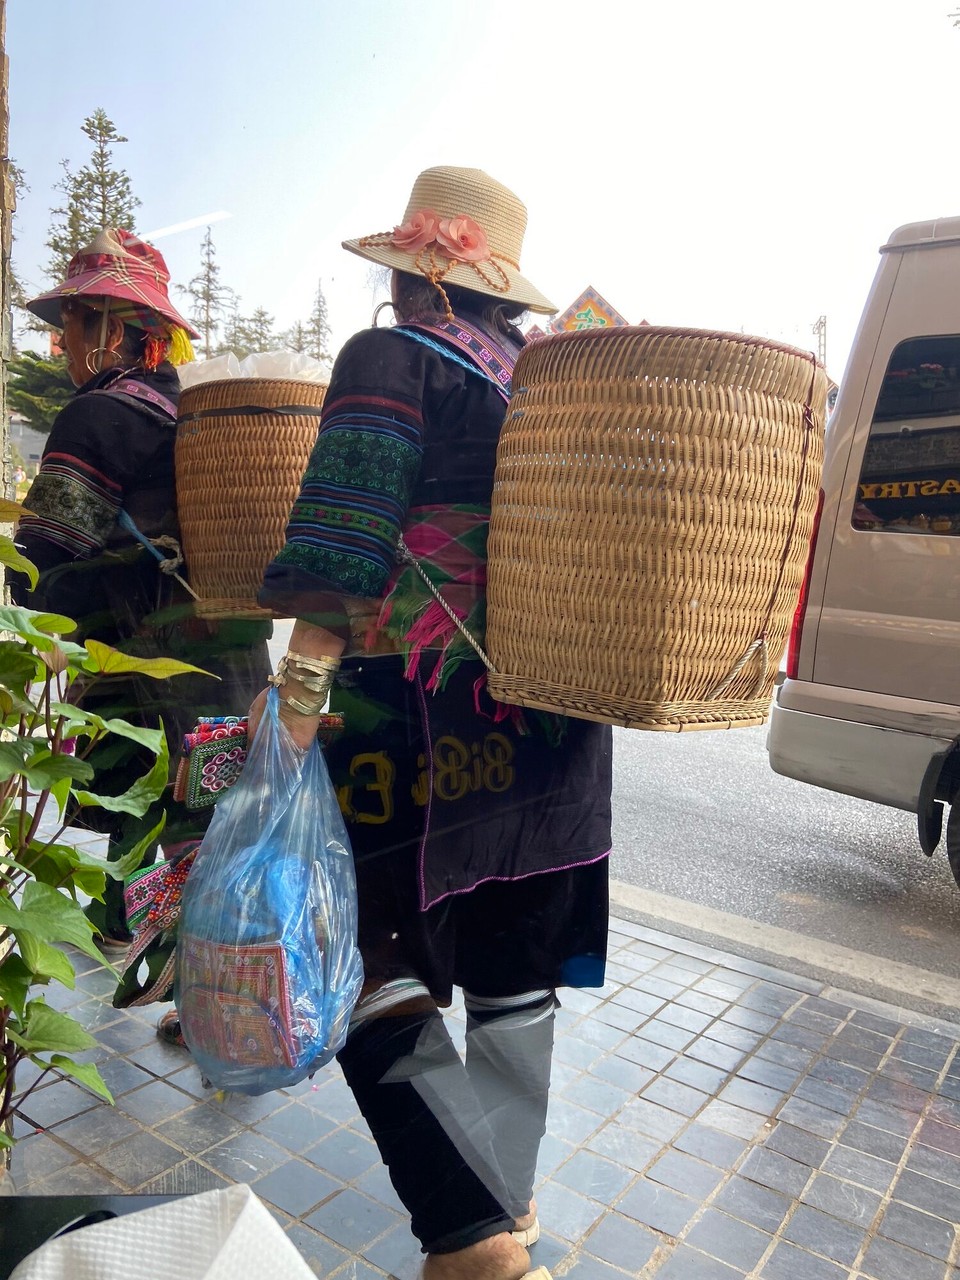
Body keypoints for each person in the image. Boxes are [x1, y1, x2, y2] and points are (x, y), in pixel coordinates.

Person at [251, 167, 613, 1280]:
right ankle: (507, 1198)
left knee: (364, 957)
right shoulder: (546, 386)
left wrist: (293, 717)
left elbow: (343, 547)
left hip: (416, 719)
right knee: (514, 974)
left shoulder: (389, 358)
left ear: (413, 277)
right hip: (555, 729)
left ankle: (471, 1241)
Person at [12, 229, 271, 1010]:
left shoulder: (99, 414)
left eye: (74, 326)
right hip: (230, 652)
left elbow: (48, 548)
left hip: (142, 657)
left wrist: (36, 624)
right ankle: (192, 974)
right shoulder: (187, 406)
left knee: (141, 803)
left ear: (111, 329)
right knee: (209, 819)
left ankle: (174, 976)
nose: (63, 345)